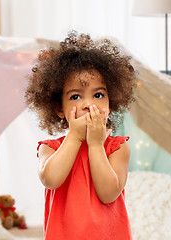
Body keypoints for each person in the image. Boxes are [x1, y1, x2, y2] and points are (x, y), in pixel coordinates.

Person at [25, 31, 136, 240]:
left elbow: (108, 193)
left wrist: (96, 145)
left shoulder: (118, 148)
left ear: (110, 104)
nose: (88, 104)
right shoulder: (50, 148)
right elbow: (50, 179)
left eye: (98, 94)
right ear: (59, 108)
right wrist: (75, 138)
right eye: (75, 96)